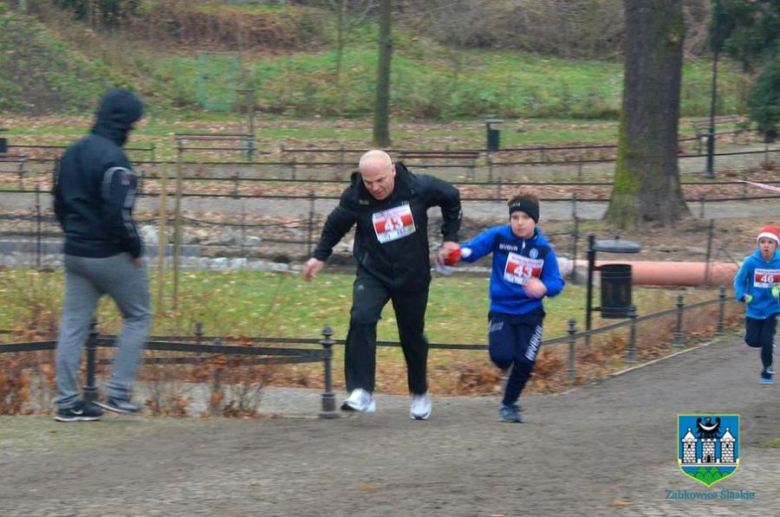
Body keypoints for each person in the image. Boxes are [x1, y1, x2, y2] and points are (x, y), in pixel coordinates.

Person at [303, 150, 461, 420]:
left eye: (380, 180)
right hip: (373, 272)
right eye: (368, 182)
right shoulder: (356, 196)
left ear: (393, 172)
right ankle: (362, 390)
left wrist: (450, 237)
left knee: (411, 335)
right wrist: (320, 255)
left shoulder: (418, 187)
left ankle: (419, 392)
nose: (375, 188)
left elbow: (452, 197)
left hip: (412, 274)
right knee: (361, 317)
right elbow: (336, 223)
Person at [52, 89, 152, 422]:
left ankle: (67, 403)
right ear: (125, 122)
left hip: (75, 251)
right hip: (109, 254)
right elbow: (118, 215)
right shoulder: (116, 161)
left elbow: (59, 203)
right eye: (134, 123)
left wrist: (75, 234)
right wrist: (135, 249)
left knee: (73, 325)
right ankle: (118, 393)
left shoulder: (71, 153)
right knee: (138, 315)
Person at [451, 191, 564, 423]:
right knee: (501, 357)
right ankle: (506, 373)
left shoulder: (543, 248)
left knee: (525, 361)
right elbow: (473, 250)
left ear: (535, 220)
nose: (520, 222)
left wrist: (542, 286)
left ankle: (509, 403)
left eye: (525, 217)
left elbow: (556, 282)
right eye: (515, 217)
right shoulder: (499, 237)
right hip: (502, 309)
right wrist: (457, 252)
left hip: (531, 314)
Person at [733, 225, 780, 384]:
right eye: (763, 242)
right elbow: (739, 281)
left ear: (776, 245)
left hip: (772, 309)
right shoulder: (751, 262)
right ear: (759, 244)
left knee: (767, 340)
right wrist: (742, 295)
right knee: (752, 341)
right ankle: (767, 345)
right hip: (753, 309)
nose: (766, 245)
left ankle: (767, 370)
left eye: (770, 242)